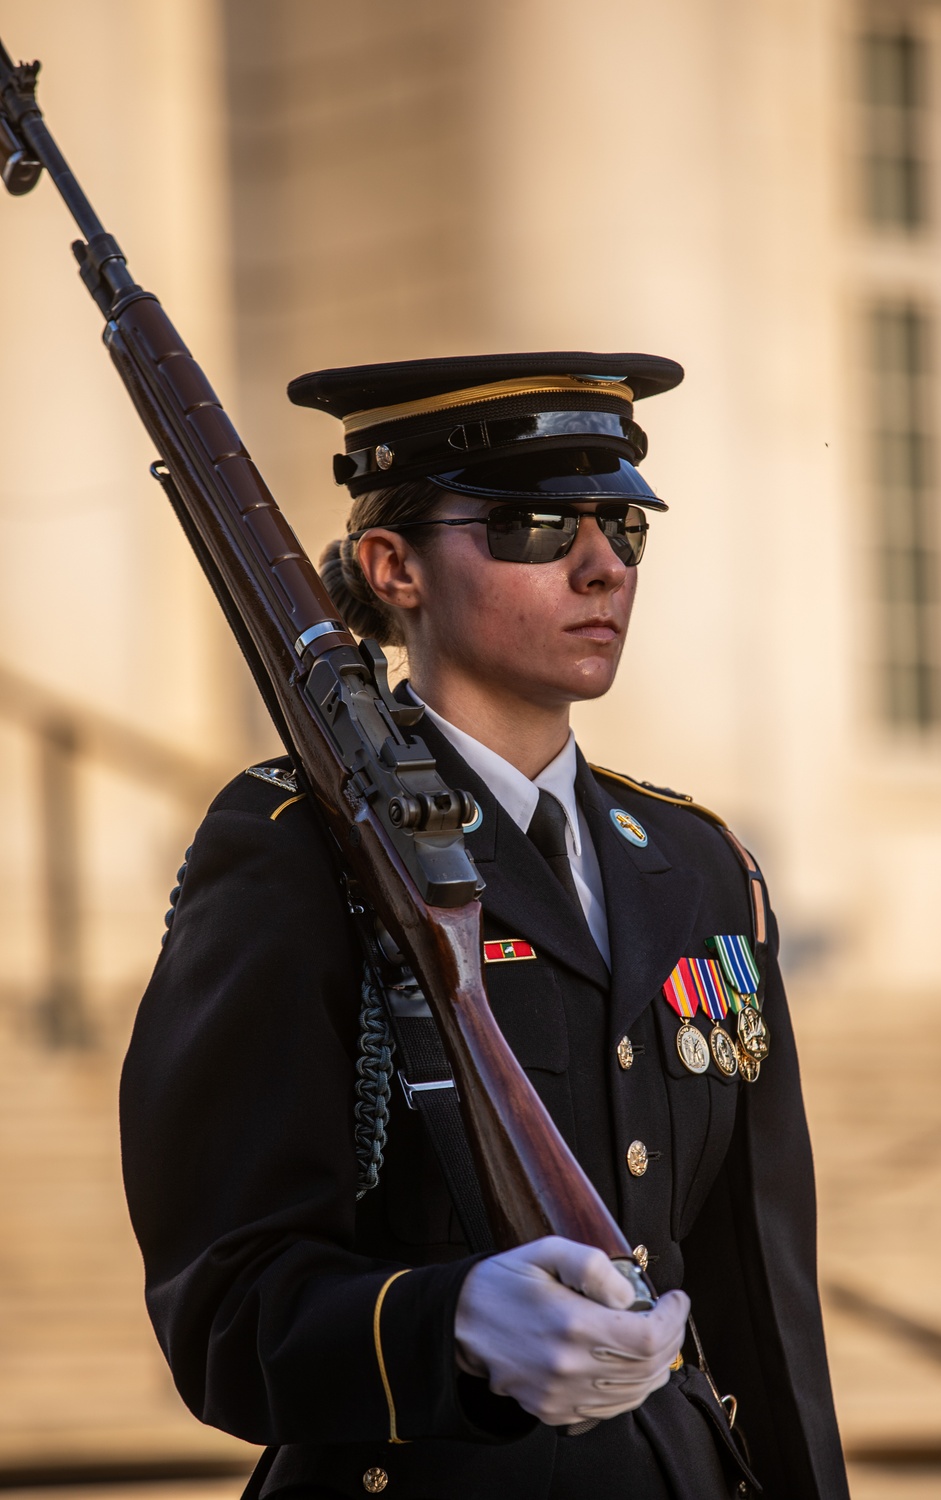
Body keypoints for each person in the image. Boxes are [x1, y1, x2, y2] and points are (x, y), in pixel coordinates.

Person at [120, 354, 850, 1500]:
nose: (603, 566)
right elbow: (227, 1306)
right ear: (392, 566)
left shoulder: (700, 866)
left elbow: (763, 1303)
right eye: (534, 528)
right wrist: (446, 1321)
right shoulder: (289, 851)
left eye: (622, 527)